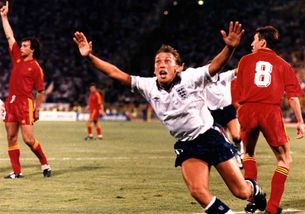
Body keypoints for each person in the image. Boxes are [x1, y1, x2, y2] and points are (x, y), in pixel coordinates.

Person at [74, 21, 267, 213]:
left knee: (241, 191)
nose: (162, 64)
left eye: (167, 61)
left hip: (210, 137)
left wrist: (229, 47)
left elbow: (216, 66)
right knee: (198, 191)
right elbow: (115, 73)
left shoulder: (191, 78)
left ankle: (256, 191)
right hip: (187, 144)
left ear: (179, 67)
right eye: (158, 62)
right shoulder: (148, 86)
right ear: (154, 69)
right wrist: (90, 57)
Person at [234, 26, 305, 214]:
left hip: (247, 109)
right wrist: (299, 121)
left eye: (254, 39)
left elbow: (237, 92)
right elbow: (293, 97)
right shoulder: (283, 64)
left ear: (262, 42)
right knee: (284, 159)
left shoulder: (244, 61)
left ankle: (253, 199)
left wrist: (241, 111)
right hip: (270, 112)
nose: (251, 43)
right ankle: (272, 209)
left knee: (248, 153)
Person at [0, 1, 51, 178]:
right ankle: (16, 172)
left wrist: (37, 109)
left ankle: (45, 164)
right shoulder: (17, 58)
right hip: (11, 102)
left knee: (28, 139)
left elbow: (40, 91)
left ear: (32, 50)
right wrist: (4, 16)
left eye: (25, 46)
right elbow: (9, 36)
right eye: (21, 45)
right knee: (11, 137)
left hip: (25, 104)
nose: (20, 47)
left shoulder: (36, 68)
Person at [205, 69, 244, 169]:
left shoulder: (224, 76)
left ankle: (241, 153)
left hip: (228, 109)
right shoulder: (203, 82)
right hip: (215, 113)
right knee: (225, 140)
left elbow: (238, 71)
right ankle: (236, 157)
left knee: (236, 136)